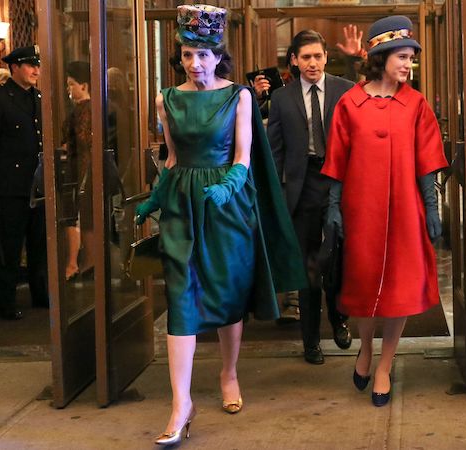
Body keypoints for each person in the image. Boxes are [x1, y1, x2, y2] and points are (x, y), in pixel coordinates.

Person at [134, 5, 305, 445]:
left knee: (229, 291)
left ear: (218, 56)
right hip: (182, 206)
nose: (195, 63)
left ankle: (228, 374)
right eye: (188, 55)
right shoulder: (166, 99)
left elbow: (244, 156)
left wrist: (229, 186)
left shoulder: (239, 96)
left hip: (228, 205)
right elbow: (171, 158)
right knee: (180, 295)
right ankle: (180, 404)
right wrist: (156, 196)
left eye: (204, 55)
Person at [321, 15, 448, 407]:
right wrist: (333, 208)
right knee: (362, 283)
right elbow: (336, 160)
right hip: (361, 211)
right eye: (403, 57)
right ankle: (364, 348)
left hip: (405, 211)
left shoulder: (416, 104)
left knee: (400, 287)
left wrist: (431, 207)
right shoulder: (350, 103)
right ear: (380, 57)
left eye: (411, 58)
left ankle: (384, 366)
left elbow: (427, 160)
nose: (409, 65)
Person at [268, 29, 355, 365]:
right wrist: (275, 197)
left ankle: (339, 318)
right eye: (306, 57)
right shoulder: (282, 98)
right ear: (294, 60)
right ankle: (310, 342)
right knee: (306, 270)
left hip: (336, 185)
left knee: (336, 261)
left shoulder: (344, 91)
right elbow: (275, 152)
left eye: (318, 56)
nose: (313, 63)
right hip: (300, 188)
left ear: (326, 58)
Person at [0, 45, 49, 320]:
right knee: (9, 245)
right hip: (10, 185)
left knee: (39, 244)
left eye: (37, 65)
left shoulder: (39, 97)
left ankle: (40, 294)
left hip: (37, 183)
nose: (36, 71)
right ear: (14, 67)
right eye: (30, 65)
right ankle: (5, 302)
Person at [61, 61, 93, 281]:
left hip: (80, 169)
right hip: (80, 168)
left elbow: (84, 142)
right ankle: (83, 263)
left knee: (74, 218)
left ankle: (73, 264)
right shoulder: (83, 109)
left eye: (71, 84)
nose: (68, 89)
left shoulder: (84, 110)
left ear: (84, 85)